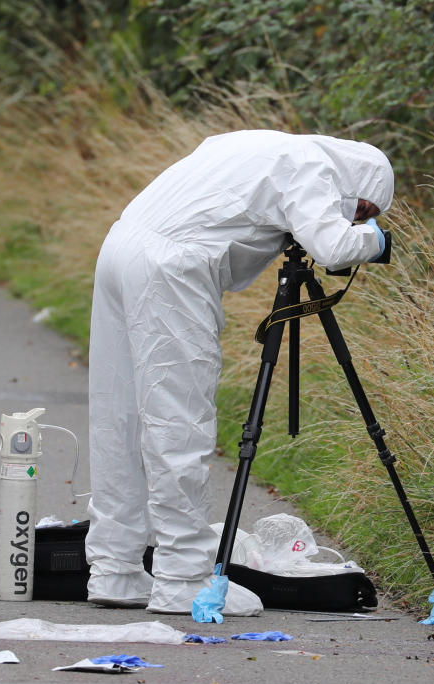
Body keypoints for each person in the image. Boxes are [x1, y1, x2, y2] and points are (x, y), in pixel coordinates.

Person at [84, 129, 393, 614]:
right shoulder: (313, 167)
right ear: (357, 183)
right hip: (172, 266)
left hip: (121, 246)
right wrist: (375, 239)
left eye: (366, 219)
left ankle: (115, 569)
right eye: (363, 210)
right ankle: (182, 578)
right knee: (177, 421)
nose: (357, 218)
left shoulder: (253, 143)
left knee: (118, 414)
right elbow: (334, 247)